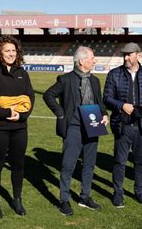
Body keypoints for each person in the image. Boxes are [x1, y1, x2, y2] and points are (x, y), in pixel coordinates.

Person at [43, 46, 108, 216]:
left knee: (89, 164)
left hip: (93, 126)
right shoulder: (65, 80)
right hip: (74, 127)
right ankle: (64, 200)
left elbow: (99, 102)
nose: (95, 60)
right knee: (68, 165)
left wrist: (105, 114)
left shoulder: (95, 81)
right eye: (92, 58)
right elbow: (48, 95)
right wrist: (60, 113)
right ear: (81, 61)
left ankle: (84, 197)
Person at [0, 35, 35, 219]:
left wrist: (22, 115)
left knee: (18, 165)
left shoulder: (23, 73)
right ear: (0, 53)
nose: (10, 54)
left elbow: (30, 98)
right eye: (6, 51)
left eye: (13, 50)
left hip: (20, 127)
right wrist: (6, 113)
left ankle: (17, 200)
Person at [103, 42, 142, 207]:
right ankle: (118, 193)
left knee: (140, 162)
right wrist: (122, 105)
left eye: (129, 54)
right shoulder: (114, 74)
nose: (126, 58)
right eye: (124, 55)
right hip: (122, 125)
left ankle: (139, 192)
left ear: (138, 55)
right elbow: (106, 97)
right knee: (120, 162)